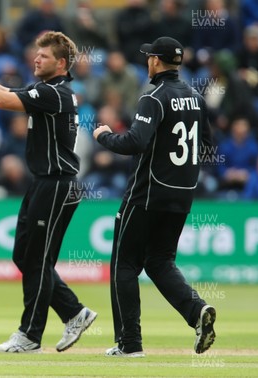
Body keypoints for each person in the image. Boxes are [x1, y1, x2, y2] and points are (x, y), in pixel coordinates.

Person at [0, 31, 97, 354]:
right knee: (25, 256)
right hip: (43, 183)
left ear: (60, 63)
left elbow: (2, 101)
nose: (36, 59)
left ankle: (30, 335)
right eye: (36, 54)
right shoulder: (47, 91)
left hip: (57, 184)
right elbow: (6, 91)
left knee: (39, 261)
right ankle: (74, 312)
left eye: (43, 56)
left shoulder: (54, 93)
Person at [93, 37, 216, 357]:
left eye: (149, 57)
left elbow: (135, 142)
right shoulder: (194, 96)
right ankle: (196, 311)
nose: (147, 61)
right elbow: (207, 145)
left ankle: (129, 344)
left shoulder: (154, 97)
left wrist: (104, 136)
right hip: (181, 196)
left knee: (124, 264)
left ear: (157, 62)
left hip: (146, 195)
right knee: (160, 261)